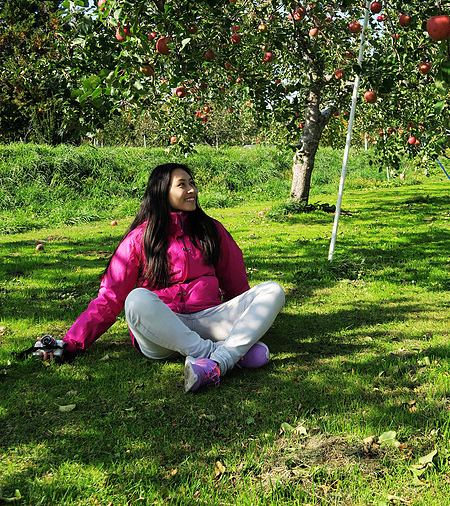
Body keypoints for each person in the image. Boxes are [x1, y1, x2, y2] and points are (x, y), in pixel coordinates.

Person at [34, 162, 285, 393]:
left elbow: (236, 285)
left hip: (210, 320)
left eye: (192, 183)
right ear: (162, 192)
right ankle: (223, 355)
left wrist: (249, 319)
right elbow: (110, 298)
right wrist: (71, 342)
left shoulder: (211, 230)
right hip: (163, 334)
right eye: (182, 184)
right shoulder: (138, 240)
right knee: (135, 299)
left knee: (272, 290)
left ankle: (216, 363)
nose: (192, 190)